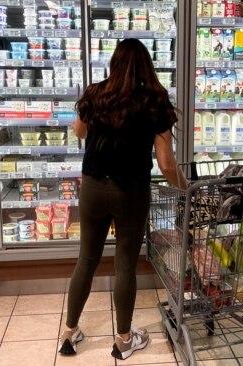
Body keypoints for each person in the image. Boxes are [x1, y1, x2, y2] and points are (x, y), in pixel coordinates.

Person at [59, 38, 188, 360]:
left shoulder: (95, 93)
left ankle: (70, 333)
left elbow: (78, 131)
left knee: (86, 260)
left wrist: (104, 125)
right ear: (146, 65)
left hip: (92, 187)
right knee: (125, 265)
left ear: (114, 63)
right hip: (130, 191)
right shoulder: (155, 101)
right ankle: (124, 339)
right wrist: (186, 189)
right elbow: (167, 163)